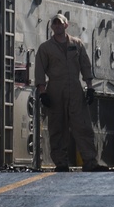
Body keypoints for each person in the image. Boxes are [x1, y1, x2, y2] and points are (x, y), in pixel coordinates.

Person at [35, 13, 108, 172]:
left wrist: (89, 87)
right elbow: (40, 70)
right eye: (54, 24)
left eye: (60, 24)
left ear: (66, 25)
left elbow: (85, 65)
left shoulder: (77, 44)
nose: (57, 26)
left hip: (75, 89)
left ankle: (90, 162)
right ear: (52, 27)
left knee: (82, 125)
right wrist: (43, 92)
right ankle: (61, 163)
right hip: (55, 89)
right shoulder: (45, 48)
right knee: (57, 127)